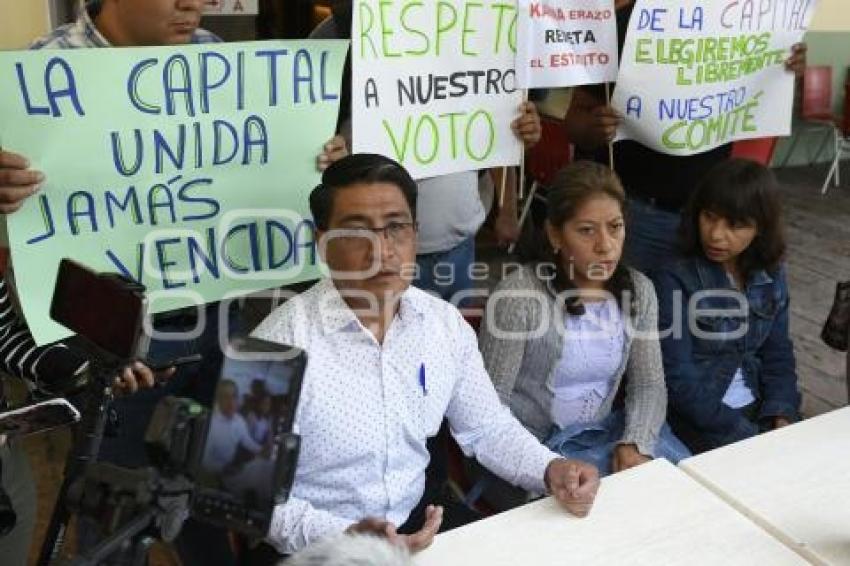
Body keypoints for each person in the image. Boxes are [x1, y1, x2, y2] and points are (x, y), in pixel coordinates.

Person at [0, 2, 347, 562]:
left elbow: (262, 162)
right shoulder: (41, 73)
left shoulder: (215, 55)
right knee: (110, 502)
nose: (193, 4)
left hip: (219, 318)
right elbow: (24, 232)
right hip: (117, 336)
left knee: (222, 491)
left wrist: (315, 154)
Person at [252, 154, 600, 556]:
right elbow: (246, 499)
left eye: (396, 228)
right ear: (322, 242)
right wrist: (347, 537)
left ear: (416, 234)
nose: (381, 251)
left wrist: (550, 468)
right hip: (315, 548)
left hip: (420, 527)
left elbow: (487, 427)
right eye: (356, 232)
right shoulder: (273, 347)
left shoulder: (443, 325)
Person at [310, 2, 541, 304]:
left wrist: (509, 203)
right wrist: (327, 150)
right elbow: (305, 124)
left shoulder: (479, 21)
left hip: (459, 245)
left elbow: (493, 125)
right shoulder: (343, 26)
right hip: (377, 255)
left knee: (448, 340)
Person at [479, 162, 689, 488]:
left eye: (615, 227)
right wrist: (546, 467)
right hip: (532, 455)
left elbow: (649, 384)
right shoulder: (518, 296)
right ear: (554, 234)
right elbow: (487, 409)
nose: (605, 245)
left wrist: (635, 443)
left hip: (603, 439)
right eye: (587, 230)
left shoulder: (639, 290)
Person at [565, 0, 808, 273]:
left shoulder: (747, 23)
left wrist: (784, 71)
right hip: (633, 211)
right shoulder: (624, 25)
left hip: (708, 219)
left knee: (692, 312)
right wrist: (594, 128)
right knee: (629, 306)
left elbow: (763, 96)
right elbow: (574, 123)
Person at [652, 159, 801, 454]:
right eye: (709, 216)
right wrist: (745, 434)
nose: (716, 234)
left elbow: (778, 353)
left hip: (760, 409)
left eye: (735, 225)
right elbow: (678, 379)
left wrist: (782, 415)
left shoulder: (771, 273)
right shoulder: (674, 277)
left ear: (760, 227)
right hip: (701, 422)